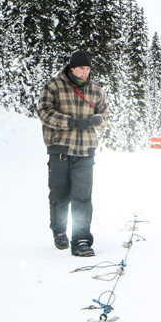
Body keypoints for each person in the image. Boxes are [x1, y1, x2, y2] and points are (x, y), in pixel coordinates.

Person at [36, 50, 109, 257]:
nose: (85, 72)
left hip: (86, 150)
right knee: (59, 195)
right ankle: (59, 231)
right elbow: (44, 112)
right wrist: (69, 122)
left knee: (82, 198)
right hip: (60, 149)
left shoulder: (96, 90)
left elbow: (105, 114)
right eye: (81, 68)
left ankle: (81, 240)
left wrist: (98, 120)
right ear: (71, 67)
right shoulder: (54, 85)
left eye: (88, 68)